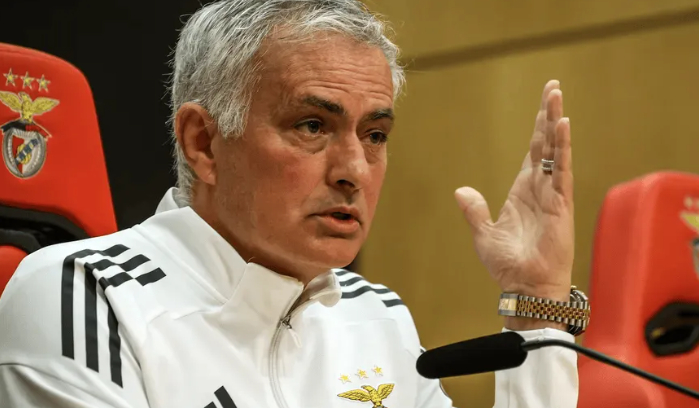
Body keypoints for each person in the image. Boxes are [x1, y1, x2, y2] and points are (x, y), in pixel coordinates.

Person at [0, 0, 582, 407]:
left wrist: (537, 303)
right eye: (312, 125)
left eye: (375, 135)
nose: (355, 170)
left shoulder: (376, 314)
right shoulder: (86, 297)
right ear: (204, 143)